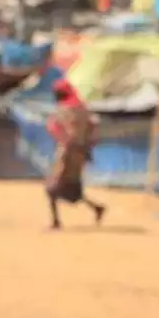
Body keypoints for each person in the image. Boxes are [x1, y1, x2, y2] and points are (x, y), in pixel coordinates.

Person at [46, 79, 106, 230]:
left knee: (53, 187)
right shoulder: (83, 108)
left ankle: (56, 222)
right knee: (70, 187)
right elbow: (94, 126)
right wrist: (89, 145)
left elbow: (53, 127)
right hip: (81, 153)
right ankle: (96, 208)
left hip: (68, 151)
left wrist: (64, 140)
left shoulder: (64, 109)